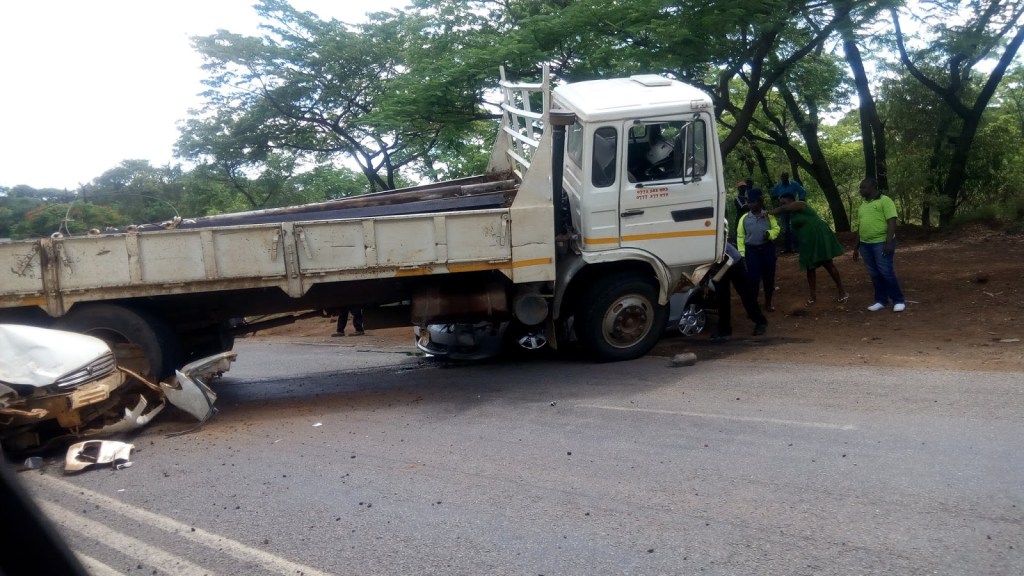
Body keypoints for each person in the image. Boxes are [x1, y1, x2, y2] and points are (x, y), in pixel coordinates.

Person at [769, 192, 848, 305]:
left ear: (792, 201)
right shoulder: (791, 214)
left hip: (818, 237)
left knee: (828, 263)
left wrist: (768, 212)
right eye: (780, 203)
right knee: (809, 268)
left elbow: (783, 208)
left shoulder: (801, 204)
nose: (782, 205)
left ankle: (842, 291)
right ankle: (813, 296)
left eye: (784, 202)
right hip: (807, 241)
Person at [852, 177, 906, 312]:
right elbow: (861, 226)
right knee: (874, 273)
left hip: (881, 243)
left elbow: (892, 221)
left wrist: (888, 242)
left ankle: (898, 300)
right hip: (865, 244)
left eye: (863, 187)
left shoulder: (885, 201)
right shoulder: (863, 205)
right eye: (860, 187)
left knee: (886, 272)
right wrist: (856, 246)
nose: (861, 190)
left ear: (873, 188)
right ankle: (881, 300)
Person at [710, 242, 768, 341]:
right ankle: (724, 330)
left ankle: (760, 321)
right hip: (718, 266)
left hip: (733, 261)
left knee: (745, 293)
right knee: (722, 298)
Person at [736, 188, 780, 312]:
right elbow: (740, 236)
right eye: (749, 202)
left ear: (760, 202)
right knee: (753, 280)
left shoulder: (768, 216)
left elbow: (776, 228)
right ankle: (753, 306)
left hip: (767, 250)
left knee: (769, 278)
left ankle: (768, 303)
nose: (751, 205)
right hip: (751, 252)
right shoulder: (744, 218)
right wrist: (742, 255)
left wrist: (770, 234)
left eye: (754, 202)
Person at [770, 171, 807, 253]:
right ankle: (788, 249)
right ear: (781, 178)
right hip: (783, 208)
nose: (784, 178)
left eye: (785, 176)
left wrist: (801, 200)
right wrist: (777, 202)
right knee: (785, 228)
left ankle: (797, 247)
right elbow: (772, 194)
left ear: (788, 177)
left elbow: (802, 192)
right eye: (782, 177)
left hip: (793, 207)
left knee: (794, 226)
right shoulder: (778, 186)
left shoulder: (794, 184)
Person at [727, 180, 750, 244]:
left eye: (744, 187)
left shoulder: (747, 198)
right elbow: (743, 207)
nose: (743, 188)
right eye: (741, 187)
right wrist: (751, 205)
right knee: (739, 233)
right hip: (741, 218)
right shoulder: (737, 198)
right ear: (739, 188)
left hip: (749, 217)